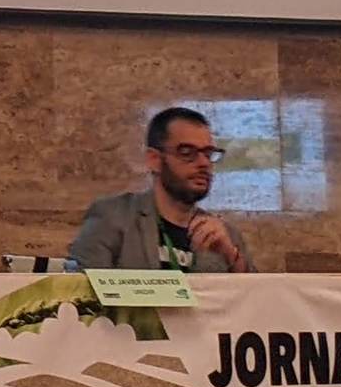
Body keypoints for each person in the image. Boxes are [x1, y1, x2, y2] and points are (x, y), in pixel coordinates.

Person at [68, 107, 250, 272]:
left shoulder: (225, 235)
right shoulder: (114, 217)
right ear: (154, 159)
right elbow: (79, 288)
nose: (203, 163)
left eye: (208, 154)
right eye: (187, 153)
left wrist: (231, 256)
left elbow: (255, 294)